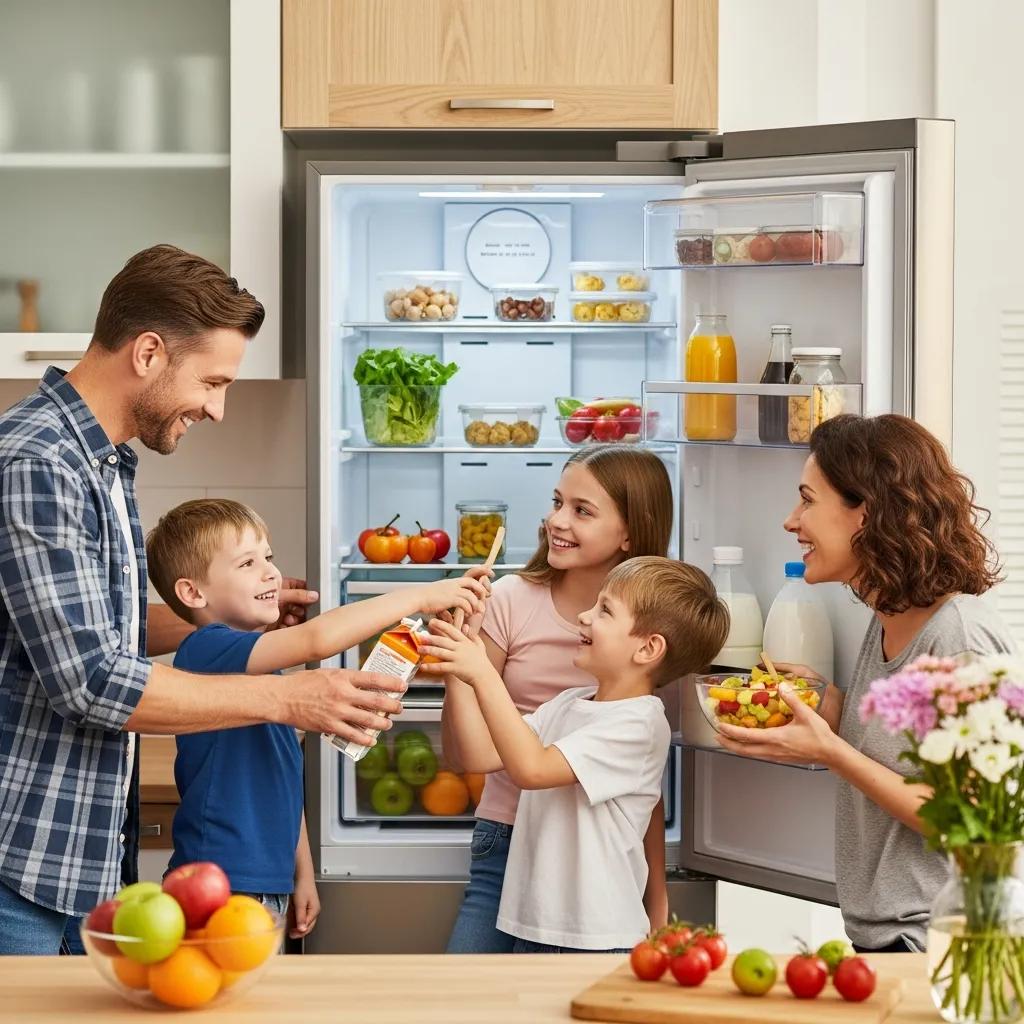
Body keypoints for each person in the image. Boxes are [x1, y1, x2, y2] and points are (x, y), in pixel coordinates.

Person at [0, 245, 405, 955]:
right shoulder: (40, 463)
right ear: (149, 352)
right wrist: (285, 696)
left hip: (75, 856)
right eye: (212, 382)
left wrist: (231, 630)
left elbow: (90, 624)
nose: (217, 409)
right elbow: (91, 680)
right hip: (21, 858)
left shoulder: (100, 459)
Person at [716, 414, 1015, 953]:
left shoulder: (959, 638)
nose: (791, 520)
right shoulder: (889, 618)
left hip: (944, 944)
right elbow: (919, 751)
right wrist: (833, 704)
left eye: (807, 500)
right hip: (891, 935)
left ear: (867, 513)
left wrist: (831, 751)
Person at [144, 498, 490, 941]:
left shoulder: (262, 671)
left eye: (268, 557)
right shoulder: (206, 650)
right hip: (219, 884)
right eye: (247, 563)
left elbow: (281, 781)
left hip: (261, 883)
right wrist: (422, 595)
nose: (270, 572)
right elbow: (316, 639)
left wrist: (300, 873)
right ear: (193, 593)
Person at [425, 445, 676, 952]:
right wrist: (460, 660)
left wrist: (657, 889)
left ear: (629, 531)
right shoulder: (510, 600)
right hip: (508, 833)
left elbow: (639, 780)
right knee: (458, 998)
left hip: (596, 858)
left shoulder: (646, 629)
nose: (556, 521)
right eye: (557, 502)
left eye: (582, 510)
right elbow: (465, 754)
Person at [424, 557, 729, 952]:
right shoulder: (569, 704)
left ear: (648, 648)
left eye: (604, 610)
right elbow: (477, 755)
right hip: (534, 928)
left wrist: (481, 671)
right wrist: (460, 663)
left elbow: (531, 770)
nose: (584, 616)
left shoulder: (639, 724)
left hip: (595, 939)